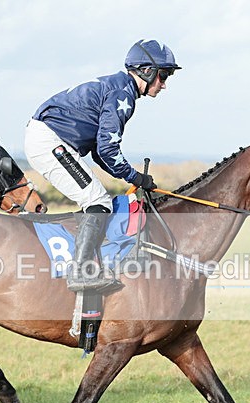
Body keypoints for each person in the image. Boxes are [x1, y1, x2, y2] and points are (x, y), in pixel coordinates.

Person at [24, 39, 180, 293]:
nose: (164, 84)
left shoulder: (120, 87)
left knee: (98, 198)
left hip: (49, 138)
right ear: (146, 71)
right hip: (50, 141)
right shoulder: (124, 95)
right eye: (163, 75)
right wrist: (136, 177)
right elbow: (108, 150)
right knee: (98, 200)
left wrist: (131, 178)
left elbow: (99, 152)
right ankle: (80, 273)